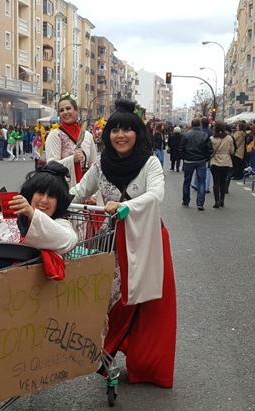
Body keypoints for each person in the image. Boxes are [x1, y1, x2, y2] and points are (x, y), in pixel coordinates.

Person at [70, 99, 176, 389]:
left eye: (127, 130)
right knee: (110, 300)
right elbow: (79, 192)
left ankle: (147, 365)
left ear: (138, 133)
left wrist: (126, 205)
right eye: (115, 130)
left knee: (148, 306)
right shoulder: (101, 165)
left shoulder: (150, 163)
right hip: (111, 240)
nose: (120, 135)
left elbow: (156, 194)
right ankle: (106, 351)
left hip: (147, 239)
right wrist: (45, 199)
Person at [44, 93, 98, 186]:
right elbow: (51, 165)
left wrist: (93, 193)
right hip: (64, 187)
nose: (65, 112)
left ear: (76, 110)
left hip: (87, 187)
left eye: (68, 108)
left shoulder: (87, 135)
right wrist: (72, 160)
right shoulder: (55, 135)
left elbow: (94, 165)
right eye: (61, 110)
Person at [179, 118, 213, 210]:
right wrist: (206, 157)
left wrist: (184, 157)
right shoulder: (204, 135)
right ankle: (200, 203)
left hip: (189, 160)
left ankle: (186, 201)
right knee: (202, 182)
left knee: (187, 181)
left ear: (192, 125)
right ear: (200, 125)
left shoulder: (186, 135)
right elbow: (210, 149)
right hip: (201, 160)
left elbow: (181, 148)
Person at [209, 122, 236, 208]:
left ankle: (216, 201)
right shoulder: (229, 138)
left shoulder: (212, 139)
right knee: (223, 181)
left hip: (215, 161)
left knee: (216, 182)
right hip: (226, 161)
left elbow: (210, 150)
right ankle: (222, 200)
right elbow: (232, 151)